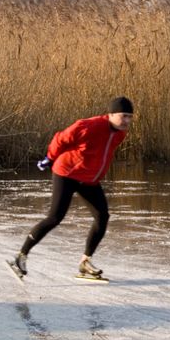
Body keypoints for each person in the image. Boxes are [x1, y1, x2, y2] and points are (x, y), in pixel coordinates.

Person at [10, 96, 134, 279]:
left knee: (102, 216)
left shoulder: (120, 133)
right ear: (111, 114)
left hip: (88, 180)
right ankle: (20, 257)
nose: (127, 121)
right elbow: (61, 138)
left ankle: (85, 263)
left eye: (130, 117)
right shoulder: (88, 126)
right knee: (54, 218)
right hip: (66, 174)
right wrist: (50, 158)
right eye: (123, 116)